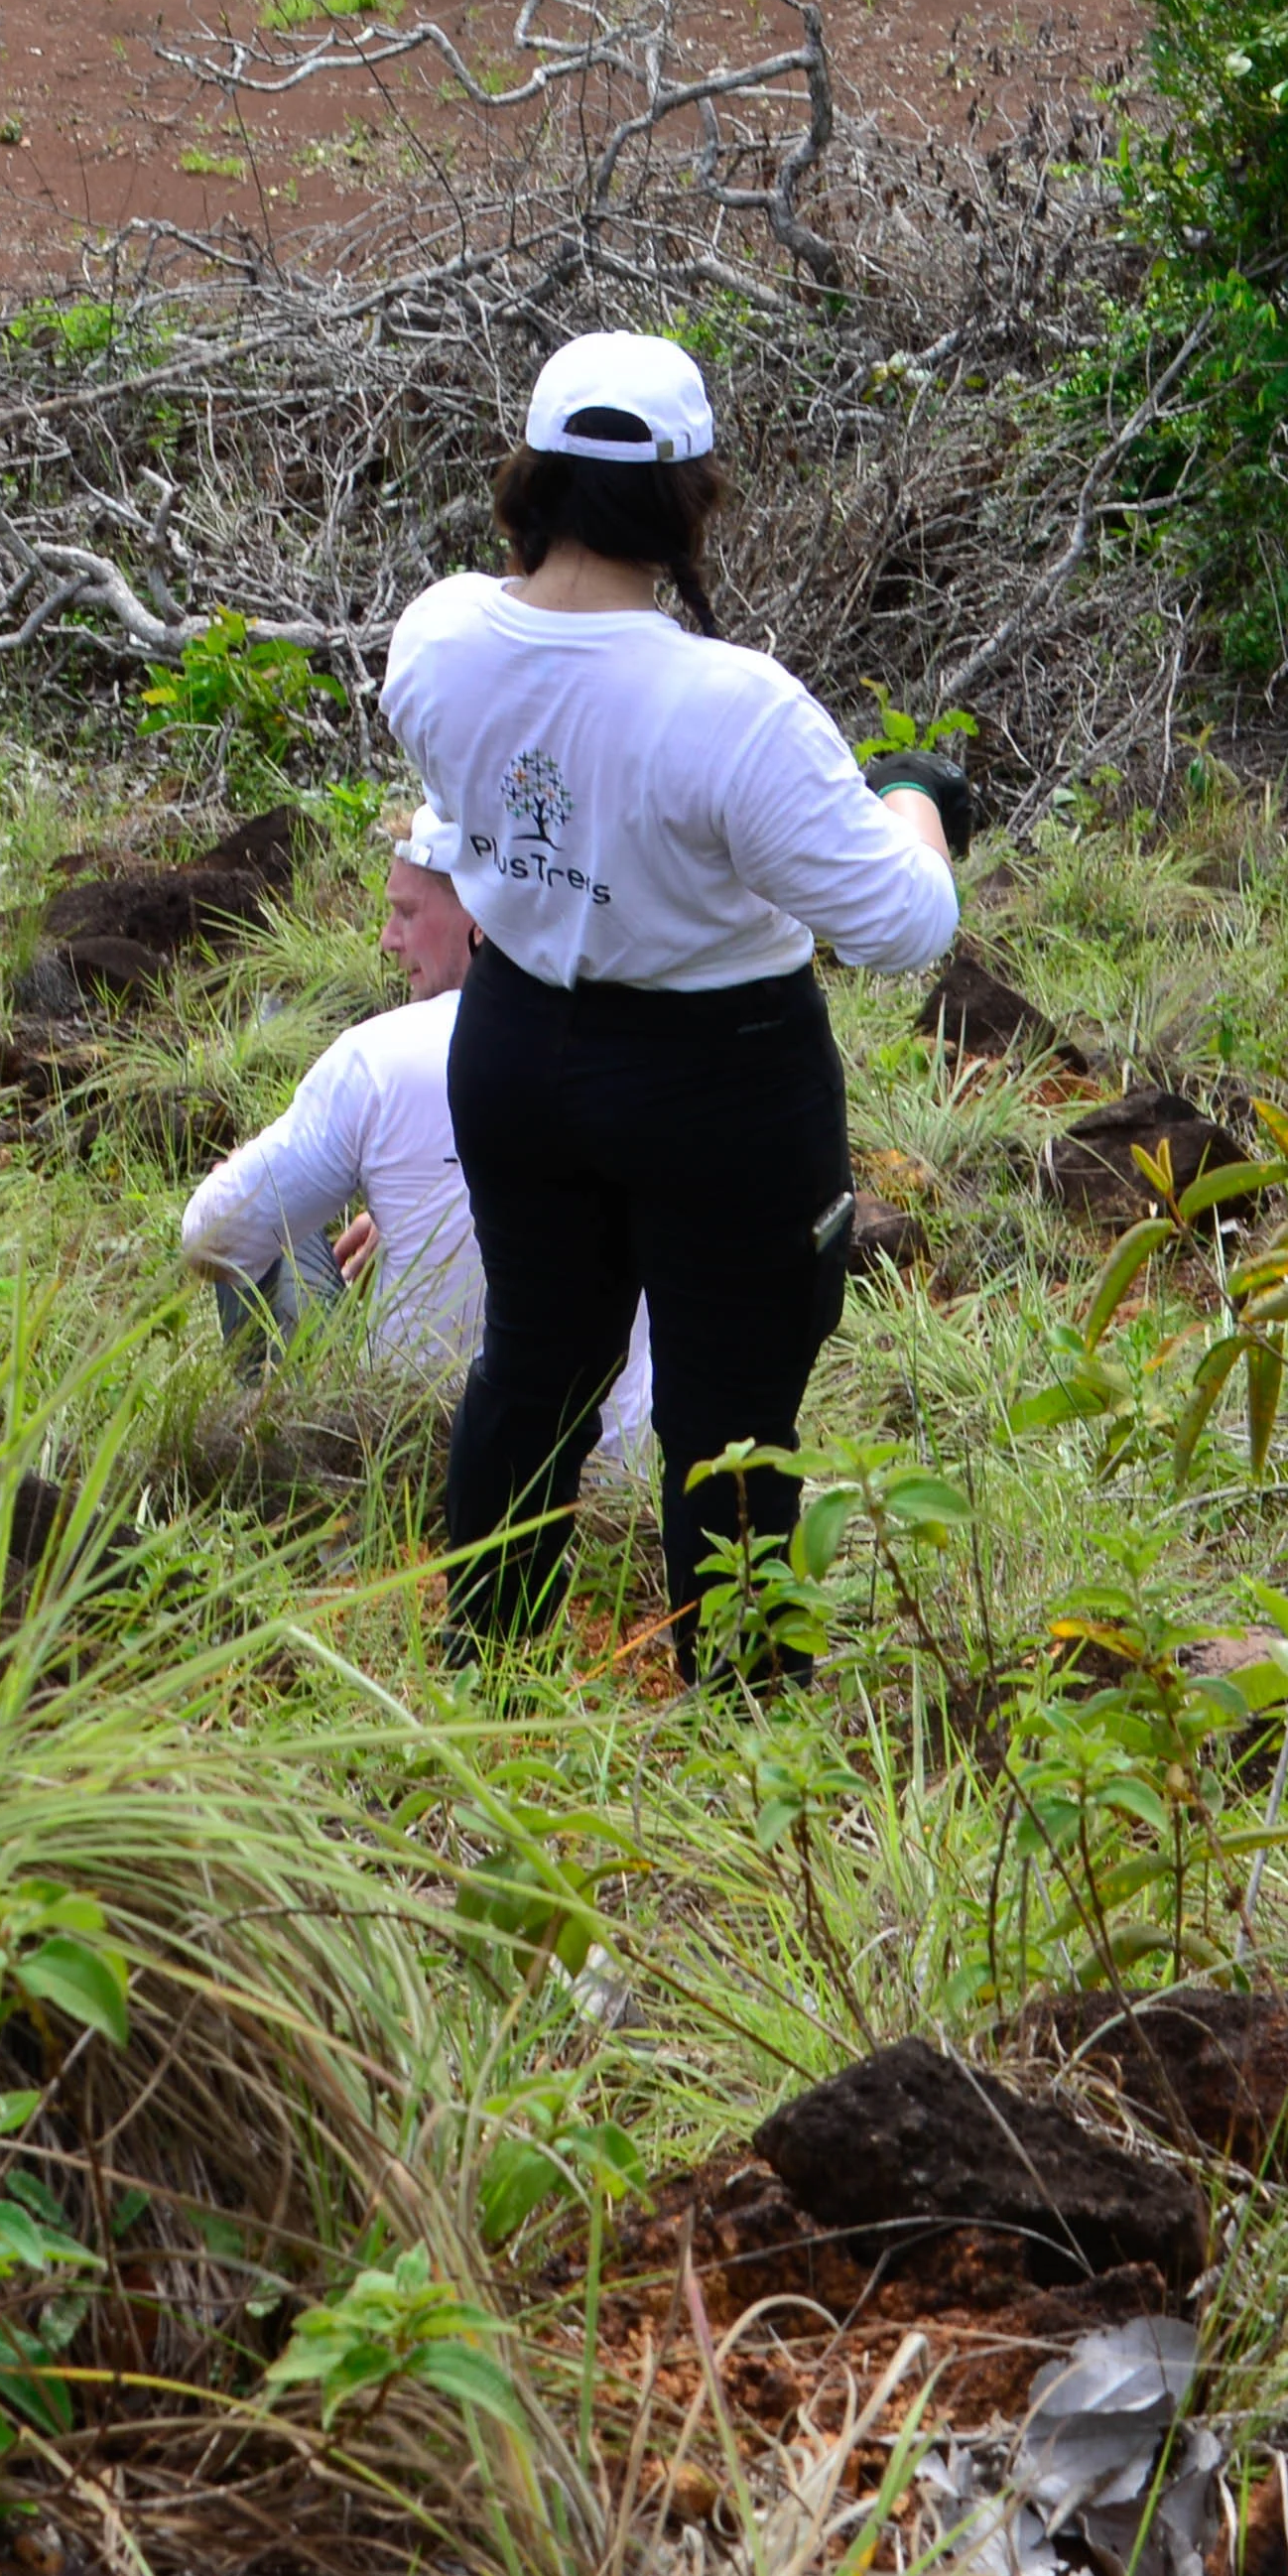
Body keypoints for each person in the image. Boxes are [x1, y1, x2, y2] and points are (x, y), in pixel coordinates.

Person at [382, 332, 968, 1666]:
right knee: (733, 1416)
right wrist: (919, 802)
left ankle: (489, 1672)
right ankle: (744, 1720)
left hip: (521, 1044)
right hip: (724, 1078)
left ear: (527, 480)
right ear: (688, 501)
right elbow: (899, 922)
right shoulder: (734, 708)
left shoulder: (438, 638)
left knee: (532, 1374)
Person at [176, 810, 653, 1461]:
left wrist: (228, 1182)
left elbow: (211, 1239)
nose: (386, 939)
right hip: (616, 1481)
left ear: (481, 919)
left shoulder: (381, 1058)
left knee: (250, 1212)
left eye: (405, 912)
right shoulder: (646, 1046)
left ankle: (276, 1456)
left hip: (407, 1458)